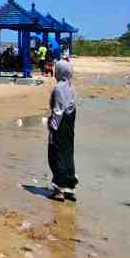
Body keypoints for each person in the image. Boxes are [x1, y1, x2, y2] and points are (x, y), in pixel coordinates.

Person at [47, 60, 78, 201]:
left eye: (56, 69)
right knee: (68, 154)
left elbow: (58, 110)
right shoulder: (71, 87)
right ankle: (70, 188)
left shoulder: (59, 88)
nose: (54, 71)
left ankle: (59, 189)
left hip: (60, 126)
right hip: (69, 127)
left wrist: (52, 127)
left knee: (56, 155)